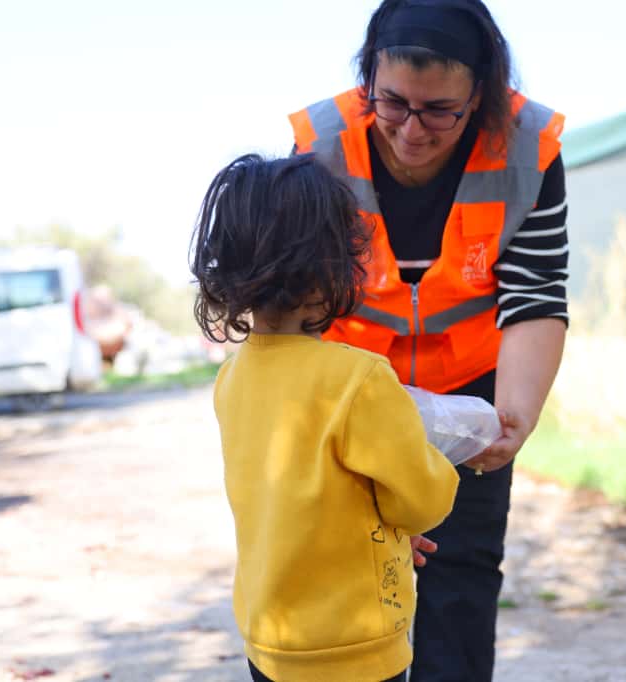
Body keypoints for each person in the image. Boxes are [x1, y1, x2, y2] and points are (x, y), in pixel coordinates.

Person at [288, 1, 569, 679]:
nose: (412, 130)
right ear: (368, 81)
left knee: (461, 575)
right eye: (392, 102)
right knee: (348, 572)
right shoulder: (319, 147)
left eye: (440, 109)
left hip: (472, 395)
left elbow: (534, 296)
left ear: (483, 93)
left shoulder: (529, 147)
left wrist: (514, 421)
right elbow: (294, 305)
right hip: (351, 392)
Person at [190, 153, 460, 682]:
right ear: (334, 263)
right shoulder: (358, 380)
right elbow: (422, 500)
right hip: (356, 649)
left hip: (271, 641)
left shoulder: (231, 379)